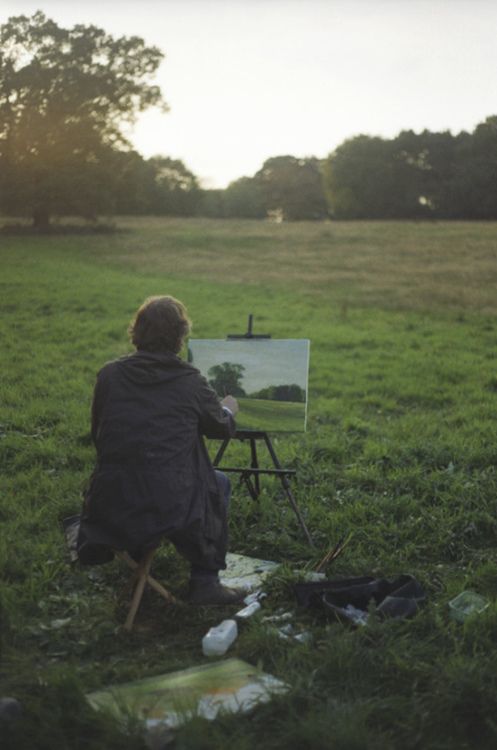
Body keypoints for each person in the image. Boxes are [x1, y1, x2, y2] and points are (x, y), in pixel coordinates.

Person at [78, 295, 245, 605]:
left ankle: (137, 547)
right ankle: (205, 583)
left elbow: (99, 435)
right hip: (171, 502)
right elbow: (221, 428)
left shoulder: (110, 374)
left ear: (137, 331)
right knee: (217, 483)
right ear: (180, 336)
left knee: (144, 476)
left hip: (111, 498)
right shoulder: (190, 380)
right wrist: (229, 409)